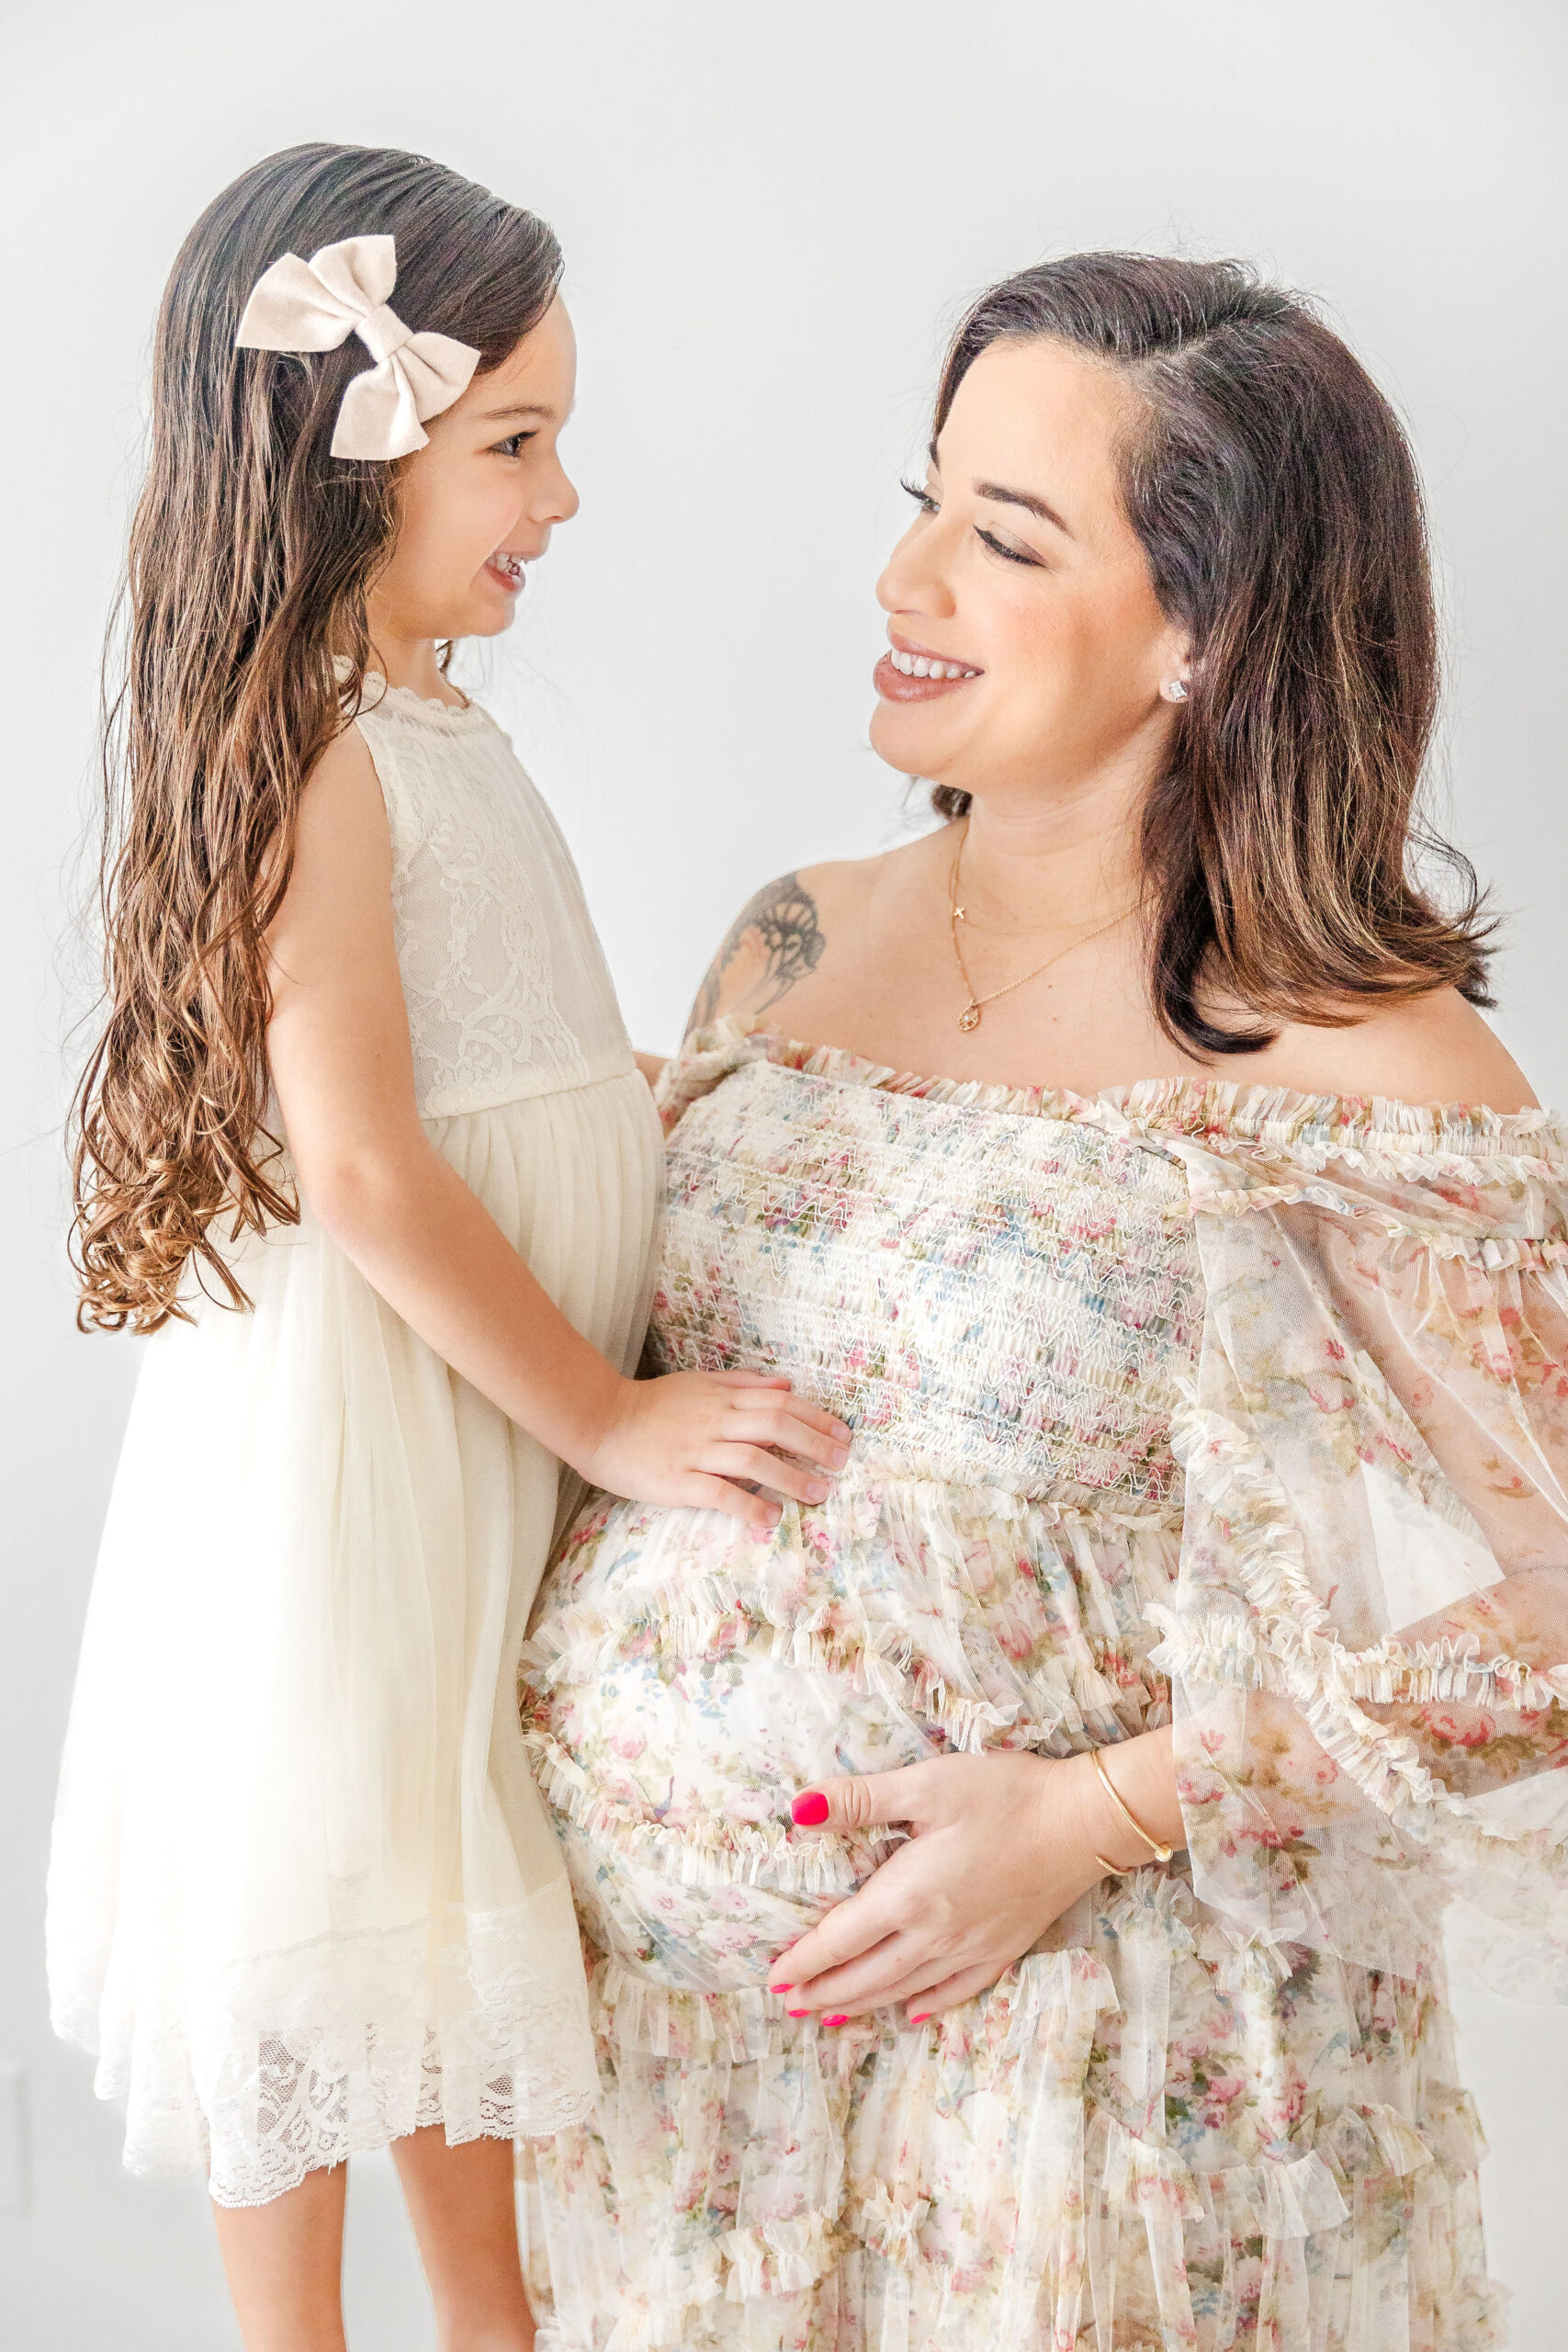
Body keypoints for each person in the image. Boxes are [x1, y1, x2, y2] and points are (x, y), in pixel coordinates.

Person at [519, 254, 1568, 2350]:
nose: (905, 574)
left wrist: (1086, 1818)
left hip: (1093, 2099)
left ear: (1204, 630)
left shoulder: (1351, 1051)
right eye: (922, 500)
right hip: (683, 2099)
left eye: (1002, 536)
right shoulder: (788, 940)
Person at [49, 141, 845, 2352]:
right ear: (346, 450)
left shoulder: (426, 718)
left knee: (435, 1885)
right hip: (384, 1425)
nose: (560, 496)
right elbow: (373, 1166)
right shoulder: (318, 749)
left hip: (462, 1417)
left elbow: (512, 1052)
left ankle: (500, 2326)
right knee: (333, 1873)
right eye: (515, 441)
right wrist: (601, 1409)